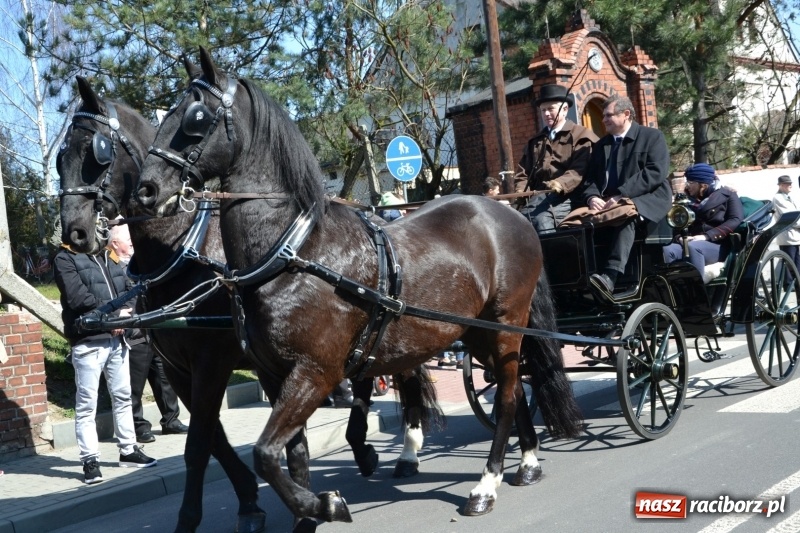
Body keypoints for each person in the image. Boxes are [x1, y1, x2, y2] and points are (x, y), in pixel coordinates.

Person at [54, 243, 157, 485]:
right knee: (86, 404)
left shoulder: (109, 254)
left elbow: (129, 290)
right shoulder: (65, 257)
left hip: (117, 338)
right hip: (88, 340)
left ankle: (128, 450)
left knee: (123, 397)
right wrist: (112, 318)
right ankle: (90, 460)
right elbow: (77, 297)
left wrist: (126, 316)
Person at [581, 94, 672, 295]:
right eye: (603, 116)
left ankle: (610, 276)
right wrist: (592, 197)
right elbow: (590, 179)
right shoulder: (601, 145)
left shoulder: (652, 137)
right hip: (609, 202)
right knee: (579, 224)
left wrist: (622, 195)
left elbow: (655, 173)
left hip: (649, 198)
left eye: (608, 115)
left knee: (625, 216)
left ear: (626, 115)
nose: (603, 120)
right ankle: (584, 279)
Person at [107, 223, 189, 443]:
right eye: (129, 241)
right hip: (135, 333)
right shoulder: (110, 266)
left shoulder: (139, 263)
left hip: (154, 330)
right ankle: (139, 426)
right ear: (115, 244)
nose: (133, 244)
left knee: (165, 379)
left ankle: (171, 419)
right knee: (135, 383)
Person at [515, 84, 598, 232]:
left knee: (542, 221)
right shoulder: (536, 141)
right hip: (538, 197)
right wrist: (521, 192)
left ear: (565, 109)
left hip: (571, 197)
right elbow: (523, 172)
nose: (546, 114)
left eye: (551, 109)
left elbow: (578, 171)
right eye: (543, 110)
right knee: (516, 222)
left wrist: (558, 184)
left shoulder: (581, 136)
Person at [662, 164, 743, 283]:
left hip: (717, 244)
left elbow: (735, 219)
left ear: (703, 184)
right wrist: (679, 237)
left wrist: (706, 236)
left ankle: (696, 294)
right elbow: (678, 222)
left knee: (694, 247)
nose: (687, 186)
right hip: (688, 241)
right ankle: (671, 290)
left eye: (691, 182)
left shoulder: (728, 195)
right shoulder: (686, 199)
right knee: (667, 249)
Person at [772, 175, 800, 284]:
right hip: (787, 235)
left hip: (795, 235)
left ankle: (796, 283)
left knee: (796, 261)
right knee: (789, 261)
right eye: (788, 184)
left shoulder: (788, 197)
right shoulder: (778, 198)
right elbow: (790, 217)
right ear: (782, 185)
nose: (791, 185)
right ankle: (788, 284)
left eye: (791, 183)